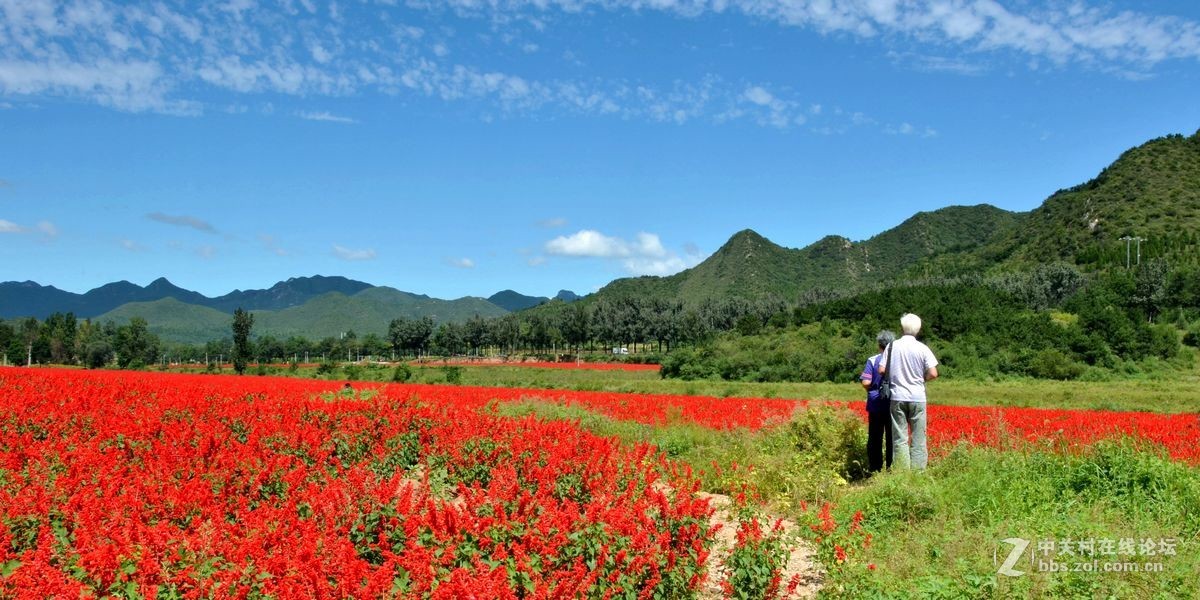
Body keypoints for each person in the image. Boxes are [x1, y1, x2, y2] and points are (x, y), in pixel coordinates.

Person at [881, 313, 938, 470]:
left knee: (900, 437)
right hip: (918, 397)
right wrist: (922, 379)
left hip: (897, 396)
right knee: (919, 437)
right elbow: (933, 373)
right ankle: (918, 472)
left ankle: (902, 472)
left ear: (902, 328)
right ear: (918, 330)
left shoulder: (891, 346)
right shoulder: (923, 348)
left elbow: (881, 369)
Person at [860, 330, 896, 473]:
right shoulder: (896, 359)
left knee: (875, 437)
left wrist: (872, 390)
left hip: (875, 403)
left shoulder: (873, 360)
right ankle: (891, 468)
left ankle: (875, 469)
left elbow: (866, 382)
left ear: (879, 344)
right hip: (893, 402)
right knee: (892, 438)